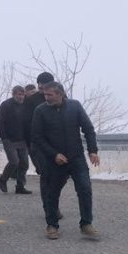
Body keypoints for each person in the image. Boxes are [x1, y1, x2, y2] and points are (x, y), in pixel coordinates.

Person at [31, 81, 100, 240]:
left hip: (76, 158)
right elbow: (37, 137)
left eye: (50, 95)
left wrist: (92, 150)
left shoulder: (75, 106)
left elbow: (88, 129)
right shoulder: (40, 111)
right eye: (45, 95)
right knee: (52, 193)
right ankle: (52, 225)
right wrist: (54, 154)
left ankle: (86, 224)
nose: (46, 98)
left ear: (60, 94)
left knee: (85, 189)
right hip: (54, 161)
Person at [0, 86, 32, 195]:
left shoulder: (26, 106)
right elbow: (0, 122)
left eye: (22, 94)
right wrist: (4, 137)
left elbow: (28, 122)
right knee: (14, 162)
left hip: (22, 139)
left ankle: (20, 186)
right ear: (13, 94)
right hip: (9, 140)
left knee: (24, 164)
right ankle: (3, 179)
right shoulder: (6, 105)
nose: (21, 97)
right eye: (18, 94)